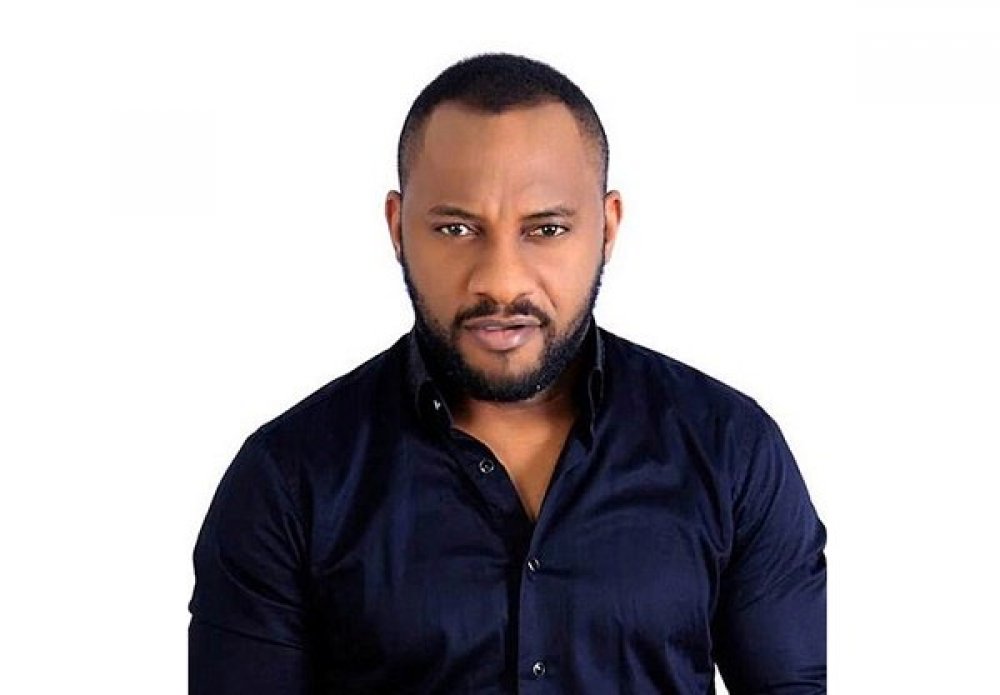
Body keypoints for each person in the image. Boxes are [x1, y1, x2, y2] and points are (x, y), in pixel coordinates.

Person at [188, 52, 827, 694]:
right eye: (456, 228)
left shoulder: (730, 450)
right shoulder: (288, 479)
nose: (500, 280)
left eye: (546, 228)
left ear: (607, 228)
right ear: (398, 228)